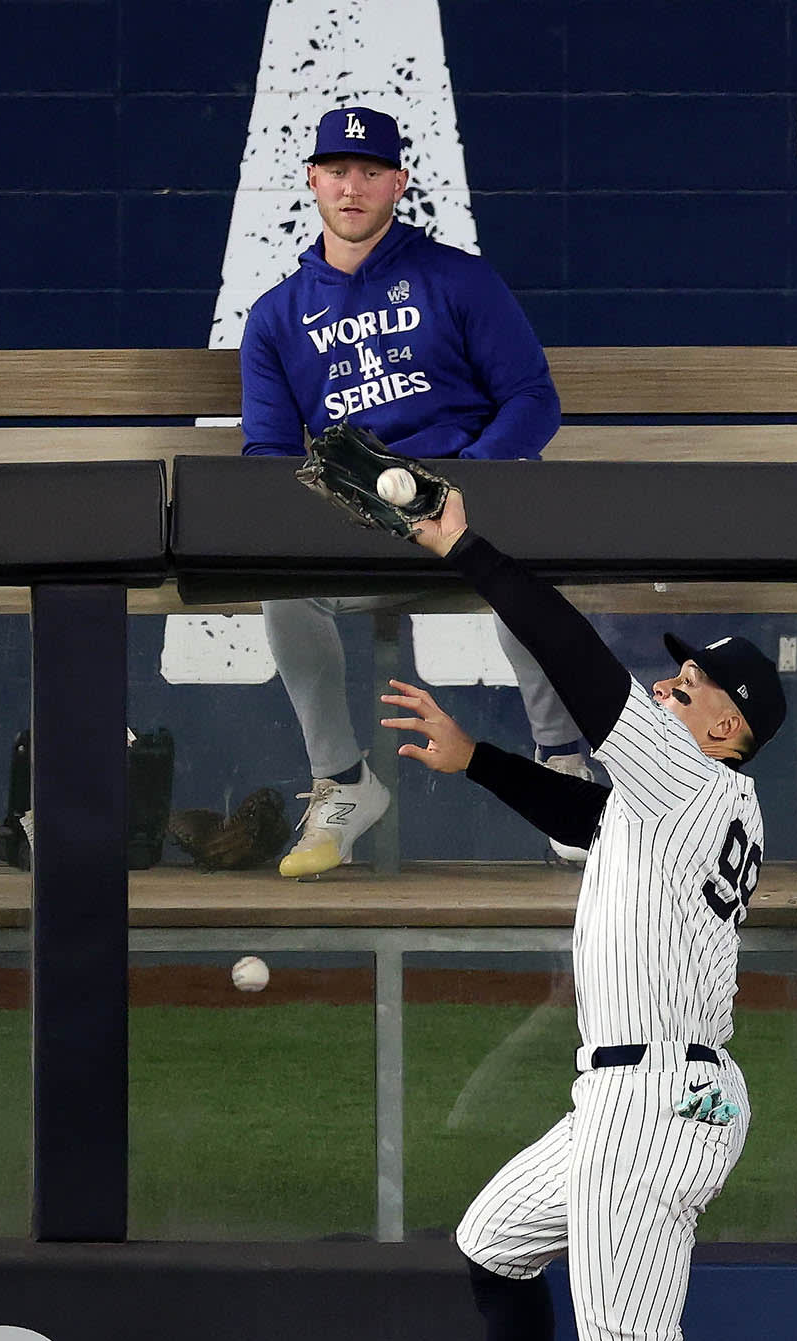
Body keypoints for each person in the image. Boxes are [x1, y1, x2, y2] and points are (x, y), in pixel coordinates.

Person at [376, 484, 787, 1341]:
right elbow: (582, 813)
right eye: (672, 682)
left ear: (729, 726)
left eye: (689, 687)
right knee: (493, 1237)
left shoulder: (690, 776)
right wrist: (475, 760)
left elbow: (569, 651)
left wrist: (464, 549)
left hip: (648, 1097)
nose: (667, 690)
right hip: (646, 1087)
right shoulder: (687, 801)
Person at [240, 105, 587, 877]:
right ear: (312, 181)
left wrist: (468, 478)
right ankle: (342, 782)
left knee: (529, 580)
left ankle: (561, 768)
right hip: (359, 523)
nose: (352, 187)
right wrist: (334, 501)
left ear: (397, 183)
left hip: (469, 513)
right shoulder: (276, 318)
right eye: (338, 171)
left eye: (370, 172)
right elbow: (266, 456)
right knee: (280, 587)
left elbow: (533, 398)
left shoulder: (458, 278)